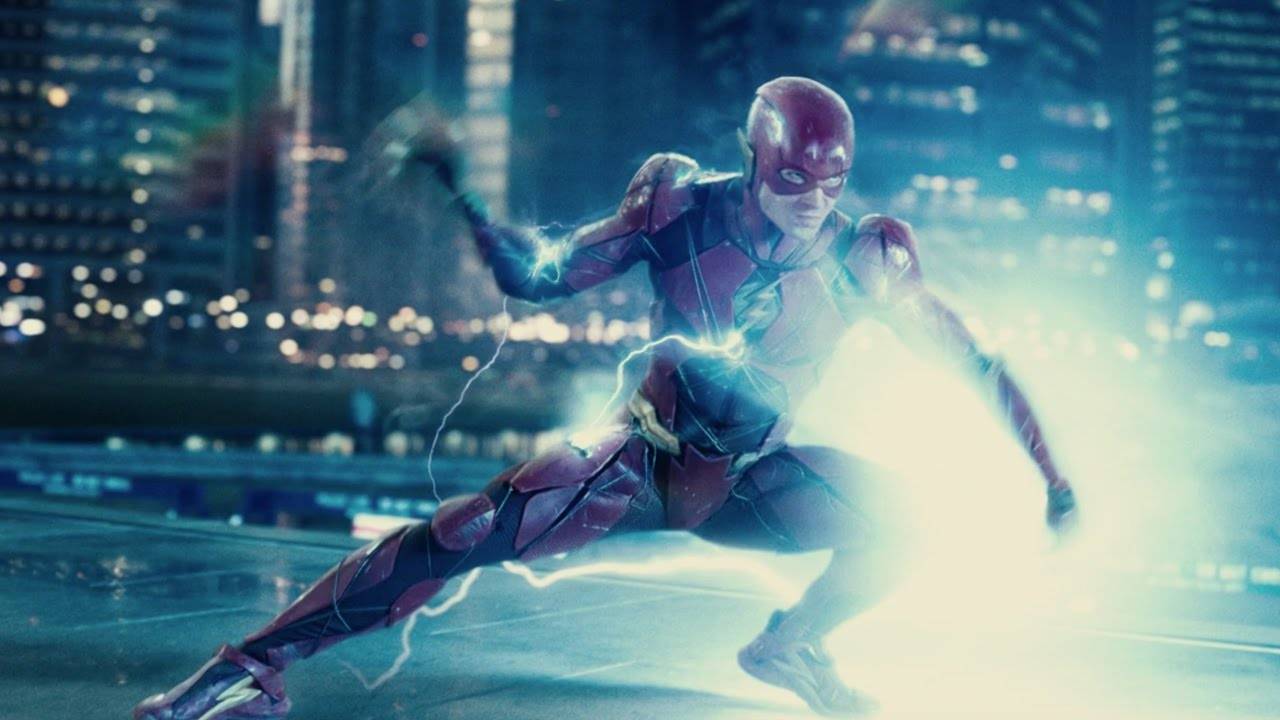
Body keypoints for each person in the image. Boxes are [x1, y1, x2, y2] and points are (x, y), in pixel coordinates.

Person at [134, 76, 1077, 719]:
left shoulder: (863, 258)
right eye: (793, 179)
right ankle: (247, 671)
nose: (812, 201)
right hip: (634, 463)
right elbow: (537, 277)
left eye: (831, 182)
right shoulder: (678, 209)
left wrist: (1051, 475)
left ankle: (791, 646)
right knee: (465, 531)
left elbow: (974, 364)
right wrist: (457, 188)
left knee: (910, 521)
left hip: (748, 478)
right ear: (755, 159)